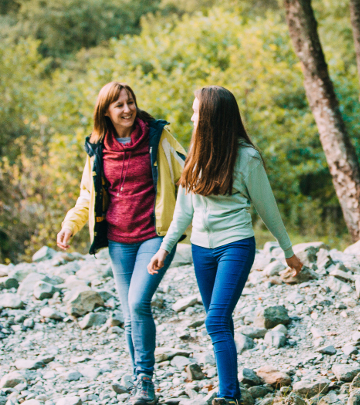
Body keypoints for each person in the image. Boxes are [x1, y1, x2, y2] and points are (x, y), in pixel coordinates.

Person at [148, 86, 303, 405]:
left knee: (215, 320)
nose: (192, 118)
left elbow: (267, 208)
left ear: (211, 118)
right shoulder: (195, 155)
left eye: (196, 112)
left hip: (235, 246)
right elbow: (184, 210)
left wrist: (288, 251)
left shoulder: (247, 157)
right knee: (220, 319)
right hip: (200, 250)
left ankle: (228, 396)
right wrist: (165, 248)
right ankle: (230, 387)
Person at [57, 82, 187, 405]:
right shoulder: (97, 147)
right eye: (119, 105)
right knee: (129, 314)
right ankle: (139, 380)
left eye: (130, 102)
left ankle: (145, 379)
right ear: (106, 112)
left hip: (155, 235)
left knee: (139, 302)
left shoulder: (158, 137)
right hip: (119, 241)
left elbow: (186, 175)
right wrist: (70, 224)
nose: (127, 109)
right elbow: (87, 195)